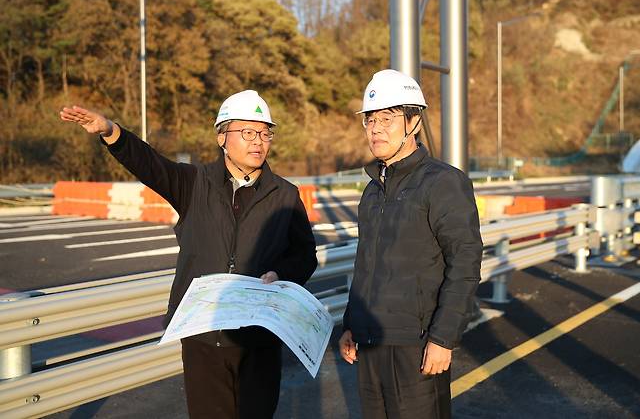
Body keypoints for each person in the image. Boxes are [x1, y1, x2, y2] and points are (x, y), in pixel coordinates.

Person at [60, 89, 318, 419]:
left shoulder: (285, 194)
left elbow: (304, 255)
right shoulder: (195, 182)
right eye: (248, 132)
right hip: (203, 335)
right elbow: (150, 164)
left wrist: (281, 274)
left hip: (260, 337)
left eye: (265, 133)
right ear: (222, 137)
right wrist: (112, 132)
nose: (258, 142)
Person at [338, 69, 483, 419]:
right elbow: (366, 266)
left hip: (416, 344)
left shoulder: (443, 183)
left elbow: (464, 262)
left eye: (387, 118)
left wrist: (443, 337)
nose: (375, 129)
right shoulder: (372, 191)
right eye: (370, 120)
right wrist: (351, 323)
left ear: (414, 122)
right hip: (370, 340)